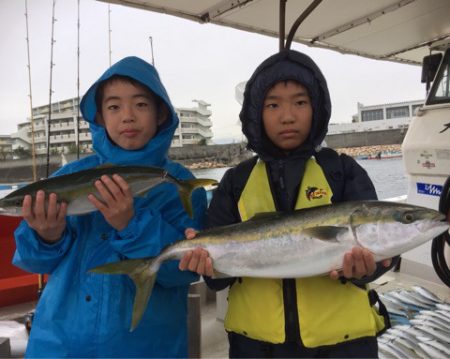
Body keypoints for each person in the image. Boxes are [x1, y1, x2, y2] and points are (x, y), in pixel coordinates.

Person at [180, 49, 397, 358]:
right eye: (272, 104)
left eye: (300, 102)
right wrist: (207, 265)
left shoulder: (342, 172)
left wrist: (365, 270)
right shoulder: (236, 182)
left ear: (317, 108)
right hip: (255, 347)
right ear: (256, 112)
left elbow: (375, 261)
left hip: (344, 346)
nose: (287, 116)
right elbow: (218, 282)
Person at [13, 56, 207, 358]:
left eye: (141, 105)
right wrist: (47, 235)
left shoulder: (179, 184)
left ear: (160, 114)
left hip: (147, 347)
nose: (127, 116)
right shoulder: (68, 177)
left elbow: (181, 273)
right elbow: (33, 260)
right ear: (100, 117)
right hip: (59, 343)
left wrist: (131, 224)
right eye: (114, 107)